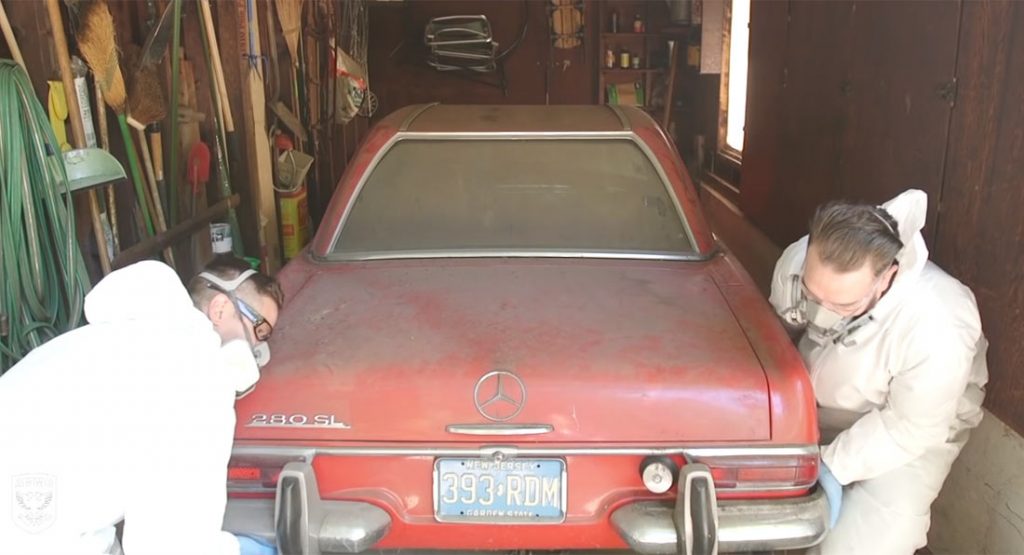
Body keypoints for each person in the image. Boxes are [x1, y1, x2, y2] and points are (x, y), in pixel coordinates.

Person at [0, 257, 282, 554]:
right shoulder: (195, 370)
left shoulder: (105, 337)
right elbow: (168, 543)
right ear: (220, 309)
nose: (258, 352)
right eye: (260, 331)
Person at [768, 189, 988, 554]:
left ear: (887, 278)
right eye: (813, 297)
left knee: (863, 545)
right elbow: (779, 327)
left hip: (906, 430)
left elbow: (911, 426)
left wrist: (833, 466)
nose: (821, 315)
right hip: (819, 398)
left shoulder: (939, 322)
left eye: (843, 304)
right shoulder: (796, 261)